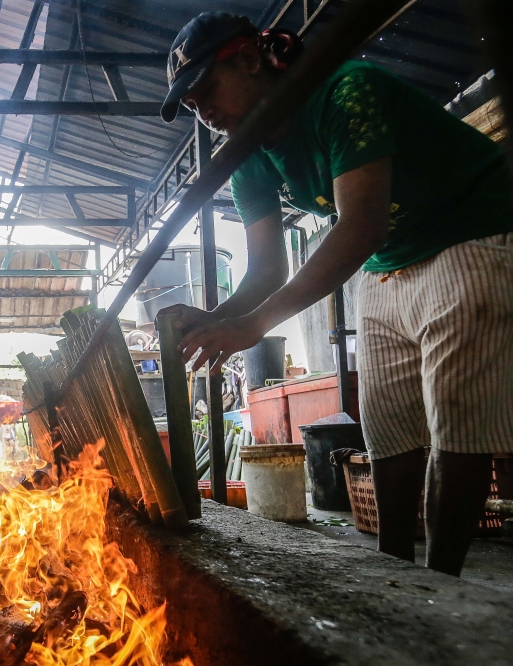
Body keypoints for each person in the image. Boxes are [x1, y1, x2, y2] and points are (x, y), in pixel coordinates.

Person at [159, 12, 513, 576]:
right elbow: (266, 268)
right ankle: (396, 573)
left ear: (250, 60)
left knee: (457, 427)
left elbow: (359, 226)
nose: (204, 111)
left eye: (206, 90)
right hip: (390, 260)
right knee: (390, 427)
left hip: (469, 232)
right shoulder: (247, 149)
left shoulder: (348, 93)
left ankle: (440, 583)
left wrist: (251, 327)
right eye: (193, 106)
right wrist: (217, 317)